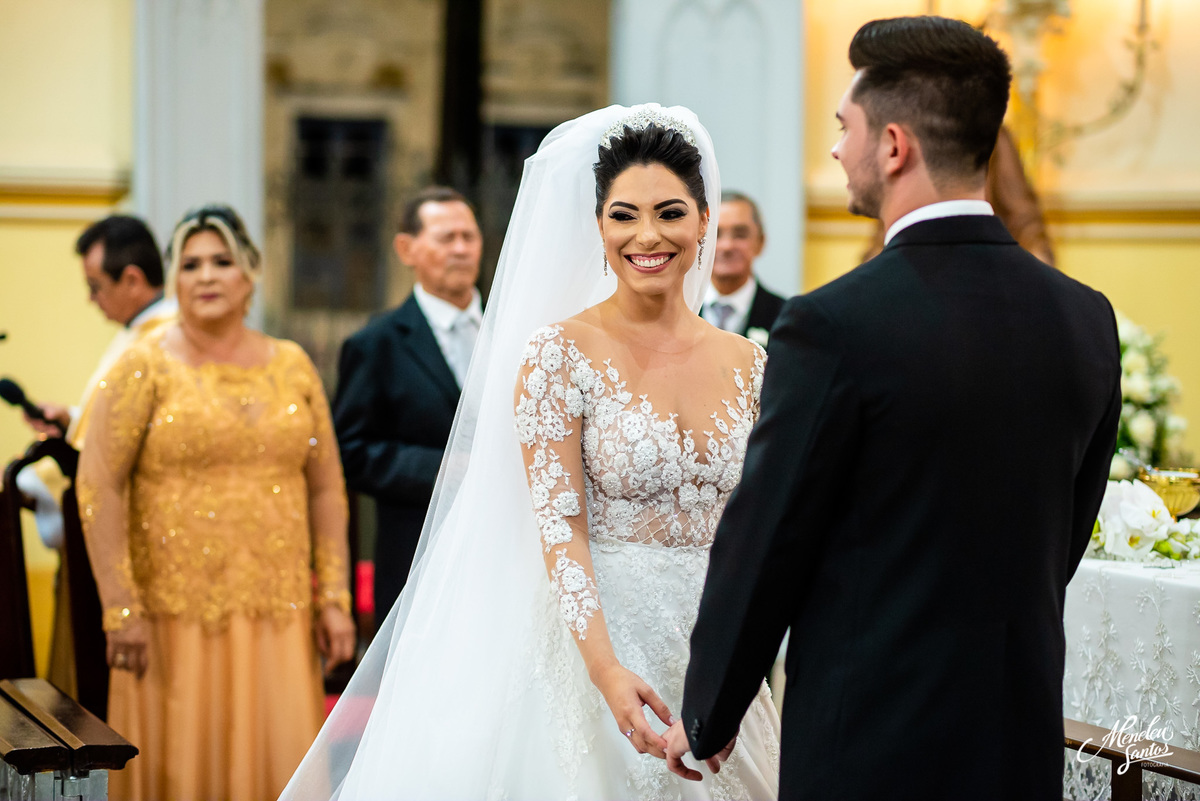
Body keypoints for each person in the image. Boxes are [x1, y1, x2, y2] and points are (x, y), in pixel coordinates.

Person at [667, 17, 1120, 801]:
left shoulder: (834, 322)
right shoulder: (1085, 316)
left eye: (845, 128)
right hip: (1018, 731)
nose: (837, 149)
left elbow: (771, 532)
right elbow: (1066, 530)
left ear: (895, 145)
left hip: (872, 737)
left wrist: (709, 710)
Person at [282, 104, 780, 800]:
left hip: (716, 645)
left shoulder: (751, 362)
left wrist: (738, 671)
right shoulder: (557, 352)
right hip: (595, 643)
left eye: (670, 213)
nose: (648, 235)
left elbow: (757, 529)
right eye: (623, 215)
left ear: (704, 219)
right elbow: (560, 524)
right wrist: (607, 671)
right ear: (598, 226)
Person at [77, 204, 356, 801]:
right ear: (174, 281)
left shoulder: (293, 364)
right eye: (191, 264)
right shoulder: (142, 366)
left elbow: (327, 486)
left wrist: (332, 597)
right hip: (170, 620)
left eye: (222, 261)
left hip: (277, 615)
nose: (206, 276)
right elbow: (97, 483)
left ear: (250, 275)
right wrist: (120, 607)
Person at [17, 215, 176, 699]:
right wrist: (73, 418)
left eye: (95, 286)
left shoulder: (159, 340)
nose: (91, 300)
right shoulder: (137, 334)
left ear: (131, 279)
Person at [332, 186, 483, 627]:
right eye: (444, 237)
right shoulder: (375, 344)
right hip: (416, 557)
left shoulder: (514, 332)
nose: (460, 249)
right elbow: (350, 452)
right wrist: (441, 469)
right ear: (406, 248)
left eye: (468, 237)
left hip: (503, 553)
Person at [700, 191, 786, 345]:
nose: (727, 246)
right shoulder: (677, 309)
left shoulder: (786, 316)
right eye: (716, 234)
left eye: (740, 234)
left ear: (760, 242)